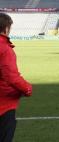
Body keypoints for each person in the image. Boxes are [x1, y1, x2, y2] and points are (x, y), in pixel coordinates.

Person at [0, 13, 32, 142]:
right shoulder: (5, 49)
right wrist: (27, 89)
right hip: (3, 104)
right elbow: (11, 77)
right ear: (6, 28)